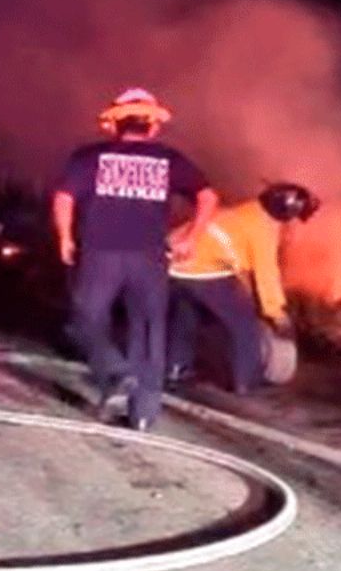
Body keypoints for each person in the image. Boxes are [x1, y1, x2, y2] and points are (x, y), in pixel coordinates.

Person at [52, 88, 218, 430]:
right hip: (149, 258)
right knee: (148, 331)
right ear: (153, 127)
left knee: (84, 318)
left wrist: (66, 237)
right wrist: (192, 238)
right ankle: (143, 414)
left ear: (113, 125)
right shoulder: (169, 159)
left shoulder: (90, 156)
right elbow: (208, 196)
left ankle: (114, 371)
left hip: (100, 254)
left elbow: (64, 197)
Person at [166, 182, 319, 393]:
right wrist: (275, 313)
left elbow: (235, 257)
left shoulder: (249, 210)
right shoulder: (264, 229)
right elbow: (266, 273)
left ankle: (176, 369)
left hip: (172, 262)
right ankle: (246, 381)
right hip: (202, 268)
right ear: (286, 213)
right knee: (244, 325)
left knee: (186, 315)